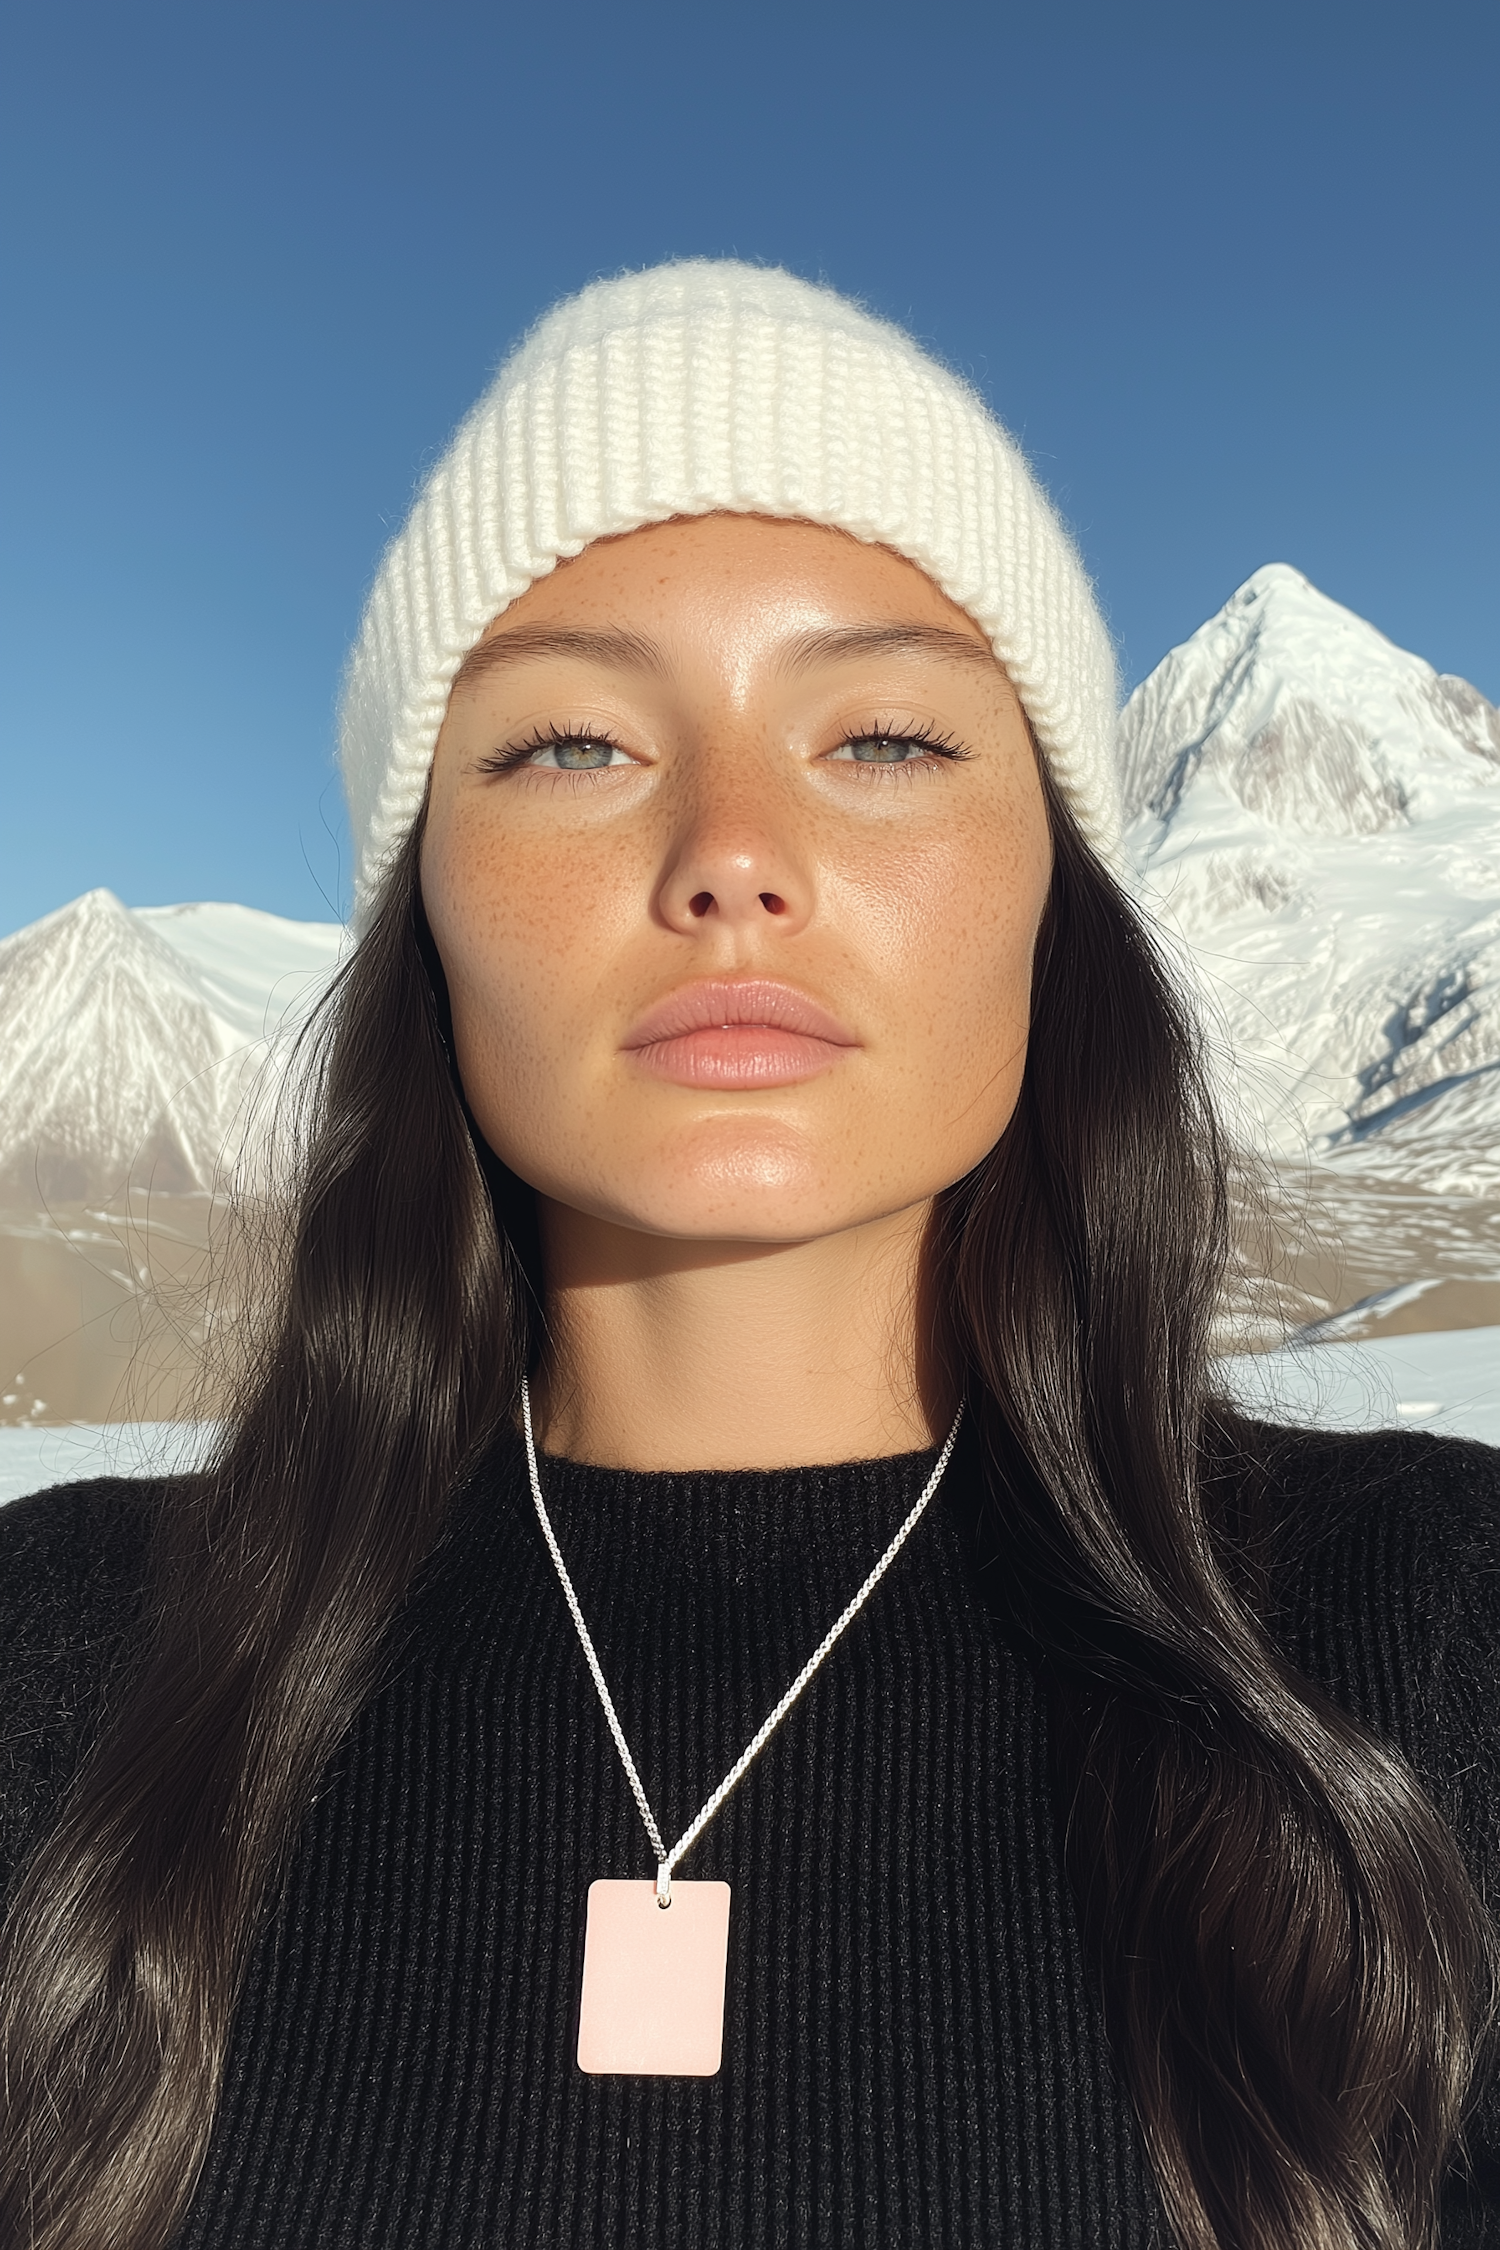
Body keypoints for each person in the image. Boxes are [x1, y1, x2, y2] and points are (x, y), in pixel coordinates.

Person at [1, 261, 1496, 2250]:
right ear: (416, 903)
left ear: (1063, 893)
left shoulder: (1431, 1647)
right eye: (567, 748)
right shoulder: (66, 1666)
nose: (731, 849)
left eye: (880, 738)